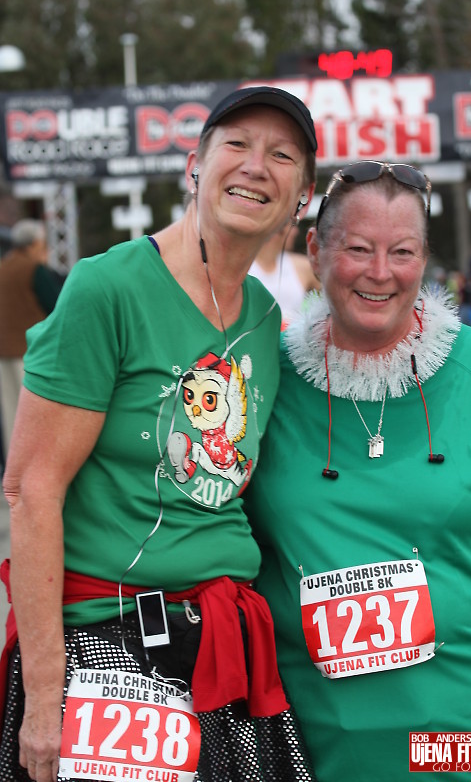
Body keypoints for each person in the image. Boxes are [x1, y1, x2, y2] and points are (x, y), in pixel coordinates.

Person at [0, 86, 317, 782]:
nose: (255, 165)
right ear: (193, 166)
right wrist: (46, 699)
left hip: (223, 644)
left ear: (301, 198)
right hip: (106, 641)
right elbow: (31, 490)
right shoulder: (106, 288)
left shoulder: (265, 318)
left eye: (281, 155)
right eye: (237, 144)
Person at [244, 161, 471, 781]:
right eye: (358, 249)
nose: (380, 272)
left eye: (402, 252)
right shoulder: (264, 380)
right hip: (321, 750)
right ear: (315, 250)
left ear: (424, 260)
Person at [0, 220, 65, 459]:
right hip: (29, 351)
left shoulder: (3, 267)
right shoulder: (33, 269)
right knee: (32, 412)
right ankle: (34, 461)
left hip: (3, 350)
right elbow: (57, 305)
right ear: (36, 243)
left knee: (10, 412)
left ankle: (14, 464)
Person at [249, 222, 320, 326]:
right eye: (293, 225)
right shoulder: (243, 265)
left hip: (291, 334)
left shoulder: (303, 265)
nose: (296, 232)